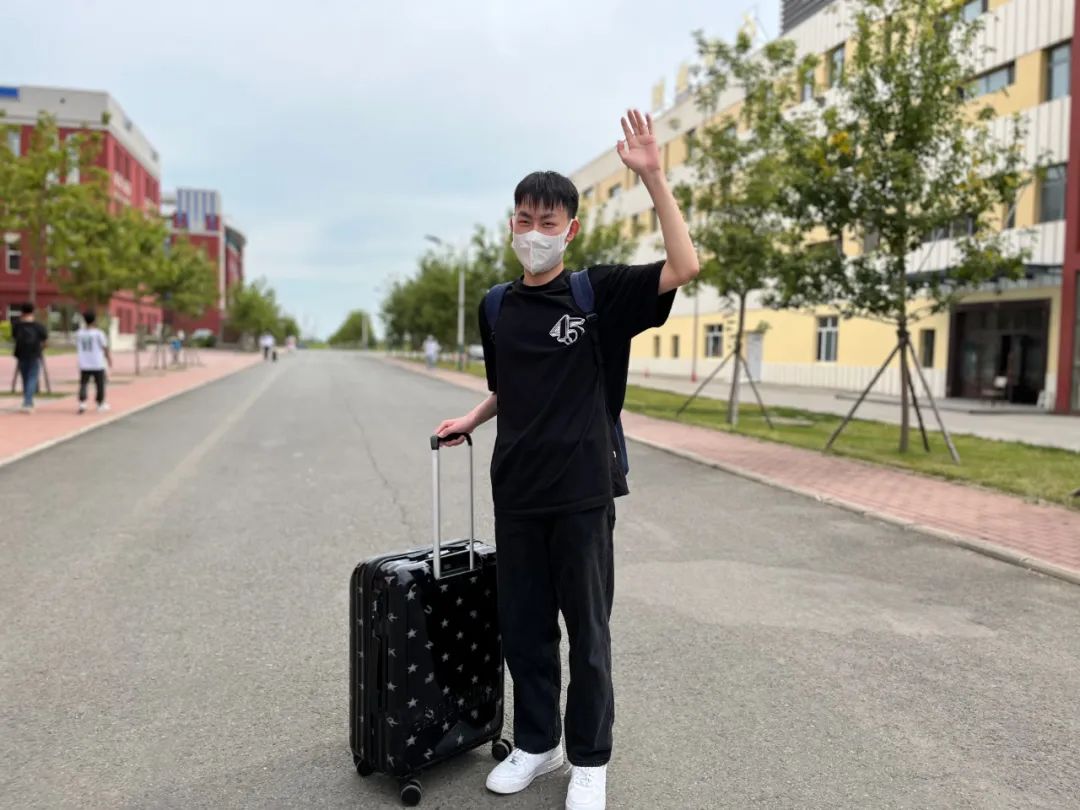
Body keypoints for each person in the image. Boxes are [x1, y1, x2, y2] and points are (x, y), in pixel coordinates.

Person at [435, 110, 699, 810]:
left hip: (582, 493)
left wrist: (654, 177)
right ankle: (536, 743)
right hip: (517, 493)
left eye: (548, 222)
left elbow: (685, 266)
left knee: (587, 635)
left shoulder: (597, 294)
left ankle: (589, 758)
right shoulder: (496, 306)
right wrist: (473, 417)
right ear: (511, 225)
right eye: (525, 220)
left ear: (570, 229)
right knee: (524, 630)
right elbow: (511, 387)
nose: (535, 233)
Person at [12, 303, 48, 413]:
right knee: (32, 378)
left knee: (25, 378)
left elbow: (15, 337)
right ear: (33, 311)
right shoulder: (38, 326)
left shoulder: (17, 325)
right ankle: (28, 402)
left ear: (22, 312)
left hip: (21, 354)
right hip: (34, 354)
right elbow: (45, 341)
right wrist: (41, 349)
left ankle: (28, 401)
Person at [76, 311, 112, 414]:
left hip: (84, 362)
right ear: (95, 320)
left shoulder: (79, 333)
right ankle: (100, 404)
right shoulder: (99, 333)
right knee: (100, 384)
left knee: (83, 383)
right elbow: (105, 347)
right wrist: (109, 359)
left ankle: (82, 403)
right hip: (97, 362)